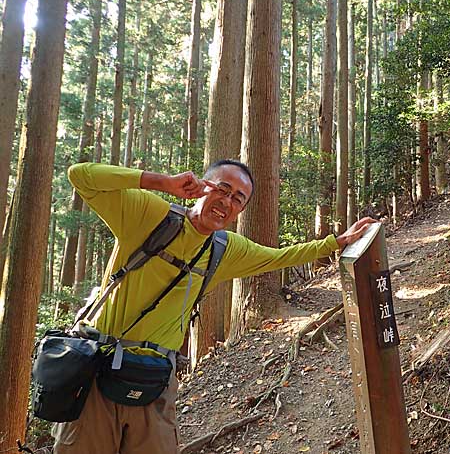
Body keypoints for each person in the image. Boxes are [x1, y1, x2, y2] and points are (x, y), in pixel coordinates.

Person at [52, 160, 374, 454]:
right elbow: (81, 177)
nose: (227, 201)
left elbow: (279, 257)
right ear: (199, 186)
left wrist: (336, 242)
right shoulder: (149, 215)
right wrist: (162, 182)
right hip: (97, 374)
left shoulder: (226, 250)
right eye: (222, 188)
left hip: (154, 386)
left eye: (238, 198)